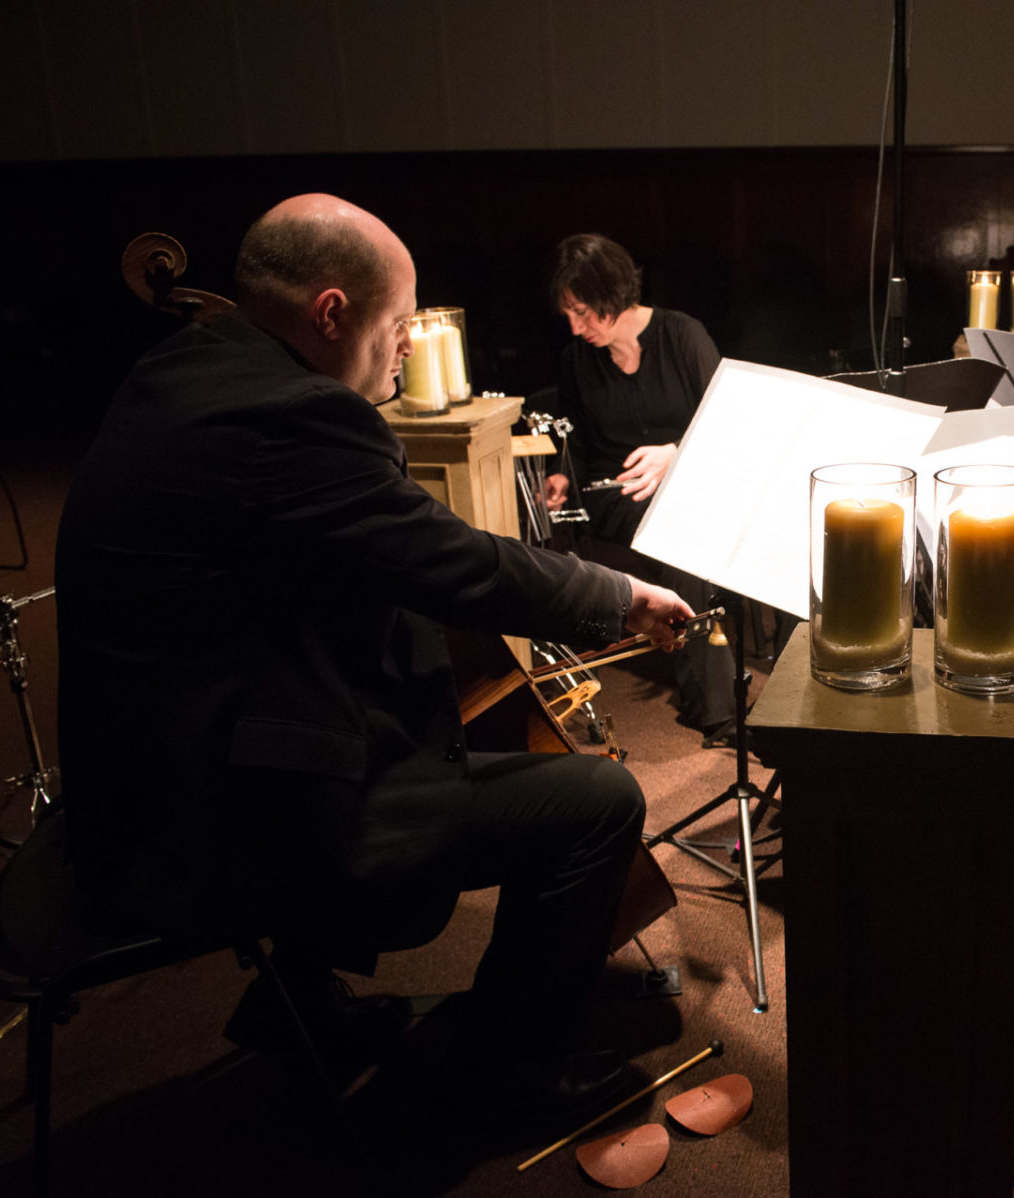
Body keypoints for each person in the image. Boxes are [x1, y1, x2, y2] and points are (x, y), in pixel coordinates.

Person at [55, 194, 692, 1115]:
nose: (406, 344)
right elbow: (453, 563)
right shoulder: (292, 416)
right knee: (597, 801)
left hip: (137, 774)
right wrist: (619, 596)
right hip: (206, 820)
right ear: (329, 315)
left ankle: (299, 998)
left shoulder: (190, 363)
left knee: (381, 691)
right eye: (399, 324)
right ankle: (510, 1068)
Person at [536, 233, 736, 747]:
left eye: (583, 312)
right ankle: (719, 713)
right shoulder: (576, 360)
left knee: (683, 526)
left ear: (614, 295)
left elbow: (727, 419)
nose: (576, 327)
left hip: (688, 479)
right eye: (568, 315)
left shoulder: (682, 335)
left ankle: (713, 700)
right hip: (617, 492)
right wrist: (562, 474)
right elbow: (577, 440)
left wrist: (674, 454)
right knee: (678, 535)